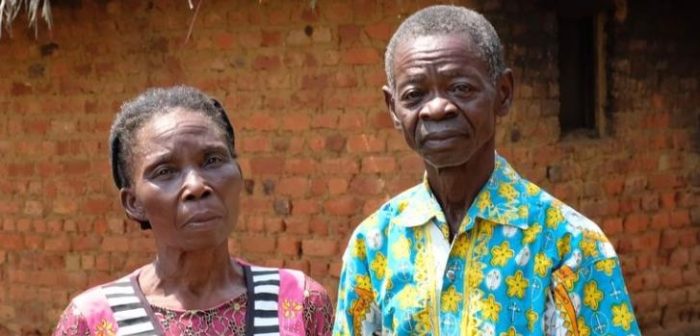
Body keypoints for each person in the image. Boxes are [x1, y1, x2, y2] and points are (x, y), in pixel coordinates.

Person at [333, 5, 640, 336]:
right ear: (393, 109)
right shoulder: (374, 244)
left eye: (461, 88)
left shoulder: (570, 246)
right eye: (414, 95)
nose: (437, 108)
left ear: (503, 94)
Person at [53, 86, 333, 335]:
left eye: (213, 160)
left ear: (239, 174)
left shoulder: (300, 303)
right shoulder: (91, 322)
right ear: (133, 203)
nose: (197, 186)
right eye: (165, 171)